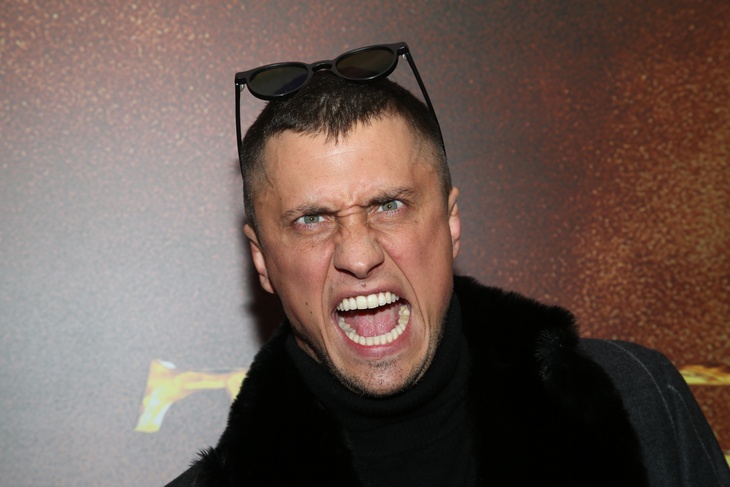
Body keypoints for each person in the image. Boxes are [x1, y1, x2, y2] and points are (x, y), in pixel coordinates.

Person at [166, 43, 729, 486]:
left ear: (451, 222)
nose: (359, 256)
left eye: (389, 205)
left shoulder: (637, 401)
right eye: (312, 219)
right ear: (262, 260)